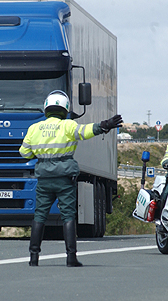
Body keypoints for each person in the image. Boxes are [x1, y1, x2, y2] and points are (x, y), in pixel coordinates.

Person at [19, 90, 123, 267]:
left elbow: (24, 153)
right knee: (68, 215)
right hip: (64, 177)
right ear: (65, 109)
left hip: (44, 178)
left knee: (40, 215)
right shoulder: (68, 126)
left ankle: (33, 257)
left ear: (46, 108)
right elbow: (86, 131)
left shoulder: (34, 128)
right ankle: (71, 257)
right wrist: (105, 124)